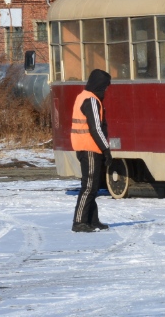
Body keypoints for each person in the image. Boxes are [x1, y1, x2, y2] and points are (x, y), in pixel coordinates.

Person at [71, 68, 113, 233]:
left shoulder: (84, 96)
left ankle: (92, 220)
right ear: (100, 85)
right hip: (89, 147)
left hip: (86, 146)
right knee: (88, 187)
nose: (106, 90)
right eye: (106, 87)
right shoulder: (91, 100)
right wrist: (106, 149)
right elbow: (96, 128)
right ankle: (79, 221)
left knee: (92, 186)